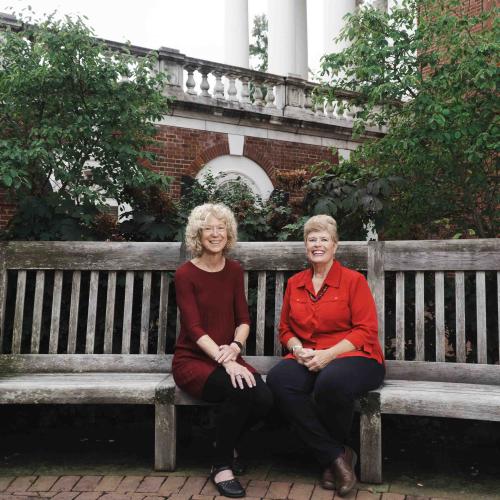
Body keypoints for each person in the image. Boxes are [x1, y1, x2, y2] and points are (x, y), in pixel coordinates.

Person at [266, 215, 385, 497]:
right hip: (309, 355)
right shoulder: (296, 283)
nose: (317, 245)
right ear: (305, 245)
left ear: (335, 246)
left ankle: (331, 460)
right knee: (279, 380)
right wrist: (297, 349)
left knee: (330, 383)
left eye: (324, 239)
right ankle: (336, 456)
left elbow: (366, 330)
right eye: (312, 239)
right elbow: (285, 329)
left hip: (356, 355)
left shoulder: (352, 281)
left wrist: (328, 355)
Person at [173, 203, 273, 498]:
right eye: (208, 229)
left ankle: (222, 442)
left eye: (220, 228)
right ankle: (221, 465)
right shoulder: (185, 274)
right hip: (193, 360)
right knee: (239, 389)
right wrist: (224, 360)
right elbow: (193, 328)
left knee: (266, 399)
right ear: (198, 234)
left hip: (228, 354)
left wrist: (234, 347)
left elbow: (243, 319)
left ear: (228, 233)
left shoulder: (233, 271)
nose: (215, 234)